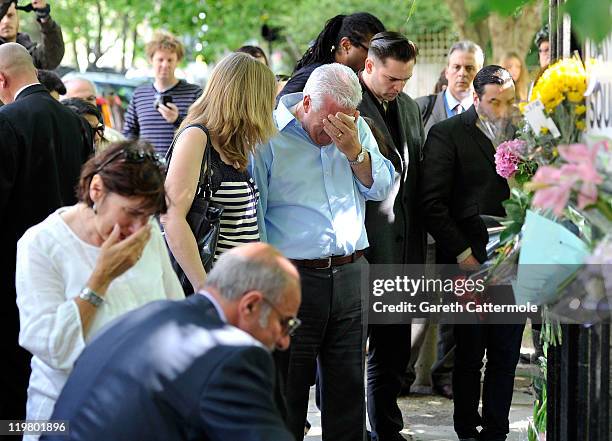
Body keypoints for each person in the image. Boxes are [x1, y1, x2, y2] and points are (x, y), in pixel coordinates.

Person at [250, 62, 395, 441]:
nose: (332, 134)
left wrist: (355, 152)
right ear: (308, 101)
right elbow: (257, 217)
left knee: (348, 391)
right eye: (326, 125)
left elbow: (382, 188)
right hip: (292, 278)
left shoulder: (354, 130)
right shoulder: (267, 136)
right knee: (288, 391)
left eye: (343, 125)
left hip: (350, 273)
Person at [41, 243, 300, 441]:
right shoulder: (232, 357)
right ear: (251, 305)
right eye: (285, 323)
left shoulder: (142, 317)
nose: (285, 341)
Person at [16, 140, 184, 440]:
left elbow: (173, 311)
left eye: (146, 216)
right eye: (131, 213)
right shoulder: (41, 244)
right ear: (96, 189)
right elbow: (53, 348)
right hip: (63, 414)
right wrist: (101, 277)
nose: (137, 228)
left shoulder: (146, 235)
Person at [419, 65, 524, 441]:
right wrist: (463, 254)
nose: (502, 110)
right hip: (468, 262)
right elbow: (432, 204)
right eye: (494, 102)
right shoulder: (447, 134)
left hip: (513, 262)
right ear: (475, 99)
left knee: (505, 354)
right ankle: (466, 427)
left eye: (508, 101)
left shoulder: (527, 134)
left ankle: (496, 430)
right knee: (467, 354)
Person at [0, 43, 91, 420]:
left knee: (12, 378)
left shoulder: (7, 121)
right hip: (66, 266)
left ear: (1, 79)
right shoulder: (76, 123)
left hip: (14, 268)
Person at [404, 40, 485, 400]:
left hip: (466, 232)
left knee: (458, 310)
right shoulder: (421, 110)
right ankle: (401, 375)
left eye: (470, 68)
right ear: (446, 70)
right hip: (426, 227)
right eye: (457, 67)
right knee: (417, 308)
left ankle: (447, 375)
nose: (463, 74)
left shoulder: (486, 119)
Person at [357, 31, 425, 441]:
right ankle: (349, 430)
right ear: (369, 66)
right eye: (391, 79)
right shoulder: (348, 104)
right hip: (363, 249)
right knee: (349, 356)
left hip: (404, 251)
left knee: (394, 351)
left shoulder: (411, 109)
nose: (398, 88)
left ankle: (386, 429)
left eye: (405, 80)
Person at [163, 52, 277, 293]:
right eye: (267, 98)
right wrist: (205, 288)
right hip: (215, 291)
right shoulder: (196, 137)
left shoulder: (233, 143)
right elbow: (172, 218)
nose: (271, 107)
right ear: (249, 99)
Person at [123, 31, 202, 156]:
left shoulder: (195, 93)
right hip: (147, 169)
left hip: (182, 168)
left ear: (178, 61)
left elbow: (203, 133)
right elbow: (129, 133)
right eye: (160, 59)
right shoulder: (139, 94)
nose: (165, 65)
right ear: (151, 60)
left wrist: (177, 120)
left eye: (170, 60)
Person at [277, 12, 385, 101]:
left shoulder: (355, 80)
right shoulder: (311, 76)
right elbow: (277, 115)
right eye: (372, 52)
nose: (377, 59)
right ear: (346, 45)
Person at [0, 0, 64, 69]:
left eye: (10, 15)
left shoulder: (30, 54)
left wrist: (44, 16)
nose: (5, 21)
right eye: (1, 16)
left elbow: (53, 57)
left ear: (18, 17)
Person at [61, 76, 124, 145]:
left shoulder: (115, 141)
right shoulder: (53, 140)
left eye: (90, 99)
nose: (86, 104)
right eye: (78, 100)